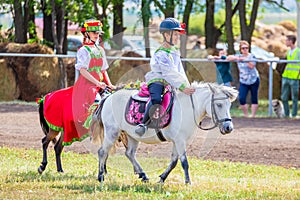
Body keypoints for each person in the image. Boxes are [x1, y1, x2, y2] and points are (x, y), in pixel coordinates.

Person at [43, 19, 115, 145]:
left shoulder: (100, 50)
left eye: (98, 32)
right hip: (87, 85)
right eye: (93, 32)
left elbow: (103, 70)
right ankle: (92, 128)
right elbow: (83, 71)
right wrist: (98, 84)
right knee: (97, 101)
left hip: (100, 85)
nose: (96, 35)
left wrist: (110, 84)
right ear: (86, 33)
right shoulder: (83, 51)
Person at [135, 17, 195, 135]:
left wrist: (186, 85)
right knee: (157, 98)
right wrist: (182, 87)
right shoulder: (161, 53)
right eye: (175, 35)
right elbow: (168, 73)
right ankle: (144, 123)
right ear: (167, 35)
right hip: (158, 79)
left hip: (170, 81)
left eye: (178, 35)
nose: (178, 38)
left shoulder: (174, 51)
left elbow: (179, 71)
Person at [227, 40, 260, 118]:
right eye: (243, 48)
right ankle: (246, 115)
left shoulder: (252, 56)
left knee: (254, 97)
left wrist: (243, 60)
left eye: (246, 48)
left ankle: (253, 116)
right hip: (243, 80)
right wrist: (237, 57)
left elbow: (252, 65)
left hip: (253, 79)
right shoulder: (238, 56)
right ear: (240, 49)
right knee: (241, 97)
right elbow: (229, 57)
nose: (245, 50)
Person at [281, 35, 300, 118]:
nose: (285, 42)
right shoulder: (288, 52)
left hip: (295, 77)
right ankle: (286, 113)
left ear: (291, 41)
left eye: (287, 40)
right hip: (286, 76)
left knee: (294, 97)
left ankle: (294, 114)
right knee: (284, 97)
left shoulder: (298, 51)